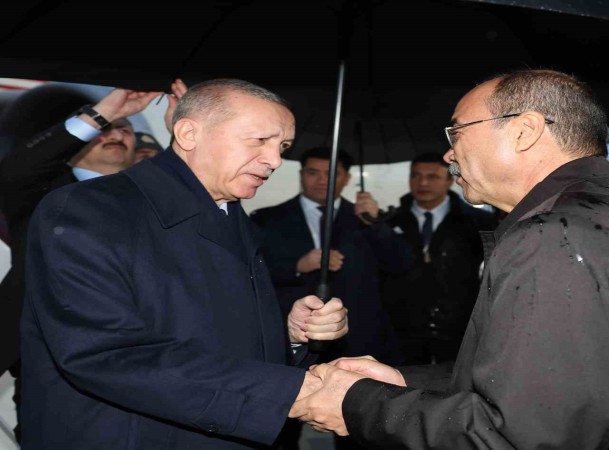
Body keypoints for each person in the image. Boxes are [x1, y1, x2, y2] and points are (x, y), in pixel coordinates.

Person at [288, 69, 609, 449]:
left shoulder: (562, 235)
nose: (449, 153)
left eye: (457, 131)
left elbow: (519, 436)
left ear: (525, 130)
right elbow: (551, 379)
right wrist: (401, 381)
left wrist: (358, 404)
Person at [20, 78, 348, 450]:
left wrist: (289, 336)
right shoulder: (90, 210)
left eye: (282, 146)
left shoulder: (234, 219)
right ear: (189, 134)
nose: (275, 160)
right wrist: (293, 393)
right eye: (259, 140)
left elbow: (214, 337)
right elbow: (106, 354)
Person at [0, 81, 181, 444]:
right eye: (104, 130)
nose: (116, 135)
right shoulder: (37, 193)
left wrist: (187, 135)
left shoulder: (161, 204)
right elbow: (16, 170)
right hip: (57, 378)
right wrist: (104, 114)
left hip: (151, 376)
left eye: (125, 130)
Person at [251, 146, 412, 449]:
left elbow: (401, 264)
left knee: (358, 432)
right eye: (313, 172)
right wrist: (297, 265)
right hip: (291, 342)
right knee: (279, 431)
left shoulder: (366, 218)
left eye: (331, 173)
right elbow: (249, 275)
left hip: (357, 343)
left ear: (346, 178)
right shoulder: (268, 219)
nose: (321, 180)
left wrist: (374, 223)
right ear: (301, 175)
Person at [381, 151, 496, 365]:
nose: (423, 183)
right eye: (416, 176)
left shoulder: (479, 223)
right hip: (401, 331)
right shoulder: (389, 223)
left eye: (432, 176)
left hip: (460, 329)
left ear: (450, 180)